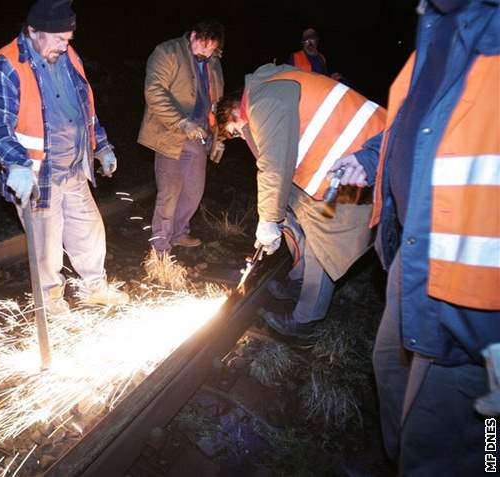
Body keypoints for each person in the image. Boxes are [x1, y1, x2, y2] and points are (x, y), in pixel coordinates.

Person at [328, 0, 500, 473]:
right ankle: (398, 458)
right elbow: (416, 123)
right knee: (391, 367)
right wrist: (369, 159)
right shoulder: (435, 24)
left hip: (481, 304)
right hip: (419, 253)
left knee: (475, 440)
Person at [215, 63, 385, 337]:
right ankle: (299, 282)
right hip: (343, 165)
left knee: (323, 244)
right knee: (302, 223)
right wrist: (274, 216)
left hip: (363, 164)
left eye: (235, 130)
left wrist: (268, 219)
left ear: (235, 111)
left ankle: (306, 319)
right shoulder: (270, 86)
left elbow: (273, 164)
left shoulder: (263, 102)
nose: (240, 136)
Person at [0, 0, 129, 315]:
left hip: (74, 169)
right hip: (37, 178)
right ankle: (52, 306)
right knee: (46, 251)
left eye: (68, 39)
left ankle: (96, 289)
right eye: (59, 39)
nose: (64, 46)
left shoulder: (69, 57)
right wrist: (16, 165)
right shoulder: (5, 66)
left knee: (90, 232)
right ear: (33, 31)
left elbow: (85, 109)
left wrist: (101, 146)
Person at [137, 20, 225, 253]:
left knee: (193, 192)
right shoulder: (168, 52)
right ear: (193, 36)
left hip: (199, 137)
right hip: (169, 134)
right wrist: (181, 122)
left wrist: (219, 137)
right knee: (169, 193)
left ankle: (178, 232)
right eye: (204, 46)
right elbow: (154, 91)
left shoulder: (213, 61)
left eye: (212, 49)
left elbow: (215, 102)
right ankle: (160, 246)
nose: (207, 53)